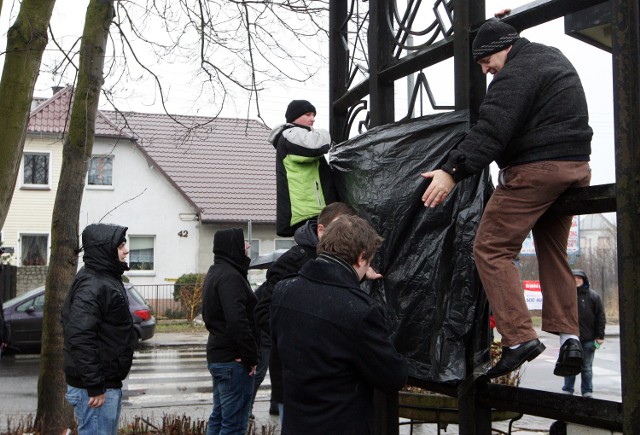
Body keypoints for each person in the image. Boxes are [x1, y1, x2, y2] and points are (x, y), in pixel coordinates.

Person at [420, 18, 592, 379]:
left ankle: (517, 339)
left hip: (536, 171)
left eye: (485, 64)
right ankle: (569, 337)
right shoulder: (552, 58)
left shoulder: (515, 73)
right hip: (576, 169)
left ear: (499, 51)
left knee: (490, 248)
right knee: (553, 251)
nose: (485, 72)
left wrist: (451, 170)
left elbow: (491, 130)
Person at [270, 215, 408, 434]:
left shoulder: (284, 291)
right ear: (362, 256)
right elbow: (393, 377)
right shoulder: (360, 310)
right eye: (370, 259)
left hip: (296, 426)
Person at [253, 202, 379, 420]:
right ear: (321, 230)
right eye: (337, 229)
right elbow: (264, 311)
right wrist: (303, 335)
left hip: (332, 380)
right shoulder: (294, 260)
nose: (343, 236)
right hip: (295, 378)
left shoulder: (346, 265)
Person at [61, 223, 137, 435]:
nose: (126, 250)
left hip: (102, 384)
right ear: (105, 249)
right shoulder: (93, 285)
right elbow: (79, 336)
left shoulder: (104, 277)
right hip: (94, 390)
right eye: (121, 245)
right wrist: (94, 386)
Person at [202, 228, 258, 435]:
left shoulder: (216, 272)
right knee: (234, 424)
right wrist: (250, 357)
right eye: (243, 242)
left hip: (220, 357)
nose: (248, 246)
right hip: (232, 362)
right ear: (232, 247)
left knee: (219, 417)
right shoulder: (230, 277)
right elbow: (237, 321)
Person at [268, 99, 338, 237]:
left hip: (309, 212)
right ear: (294, 116)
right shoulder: (291, 133)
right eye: (308, 114)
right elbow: (315, 145)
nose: (312, 119)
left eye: (314, 115)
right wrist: (325, 133)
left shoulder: (295, 135)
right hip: (308, 212)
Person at [562, 269, 606, 397]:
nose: (576, 280)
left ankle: (587, 391)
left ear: (584, 280)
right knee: (569, 366)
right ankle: (567, 390)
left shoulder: (593, 296)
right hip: (571, 338)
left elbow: (600, 317)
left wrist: (600, 336)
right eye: (574, 277)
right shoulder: (566, 296)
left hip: (588, 339)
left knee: (586, 368)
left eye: (579, 278)